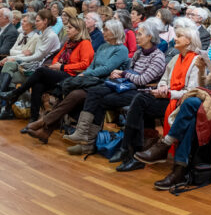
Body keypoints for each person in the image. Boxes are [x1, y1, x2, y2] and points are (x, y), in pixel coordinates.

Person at [136, 32, 211, 190]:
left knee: (191, 102)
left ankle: (166, 145)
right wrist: (201, 70)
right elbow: (205, 86)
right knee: (192, 117)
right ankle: (179, 170)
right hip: (209, 99)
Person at [61, 18, 166, 156]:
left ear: (150, 37)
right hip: (128, 86)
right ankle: (85, 136)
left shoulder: (158, 57)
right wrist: (120, 76)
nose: (136, 36)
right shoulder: (138, 53)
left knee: (100, 98)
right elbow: (132, 74)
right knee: (95, 92)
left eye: (140, 34)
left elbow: (142, 80)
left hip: (141, 92)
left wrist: (123, 73)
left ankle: (89, 140)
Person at [26, 20, 131, 145]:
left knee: (75, 95)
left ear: (115, 32)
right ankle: (45, 131)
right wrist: (85, 74)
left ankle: (44, 123)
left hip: (105, 83)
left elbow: (107, 69)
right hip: (91, 81)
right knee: (69, 91)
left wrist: (85, 74)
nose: (103, 32)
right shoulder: (103, 46)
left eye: (106, 30)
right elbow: (92, 65)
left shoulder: (121, 50)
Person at [116, 25, 201, 171]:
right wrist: (162, 87)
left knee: (139, 102)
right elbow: (164, 79)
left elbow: (192, 91)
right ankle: (133, 152)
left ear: (189, 41)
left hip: (181, 102)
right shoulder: (175, 58)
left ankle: (129, 152)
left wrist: (168, 93)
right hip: (167, 96)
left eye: (179, 36)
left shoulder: (197, 61)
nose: (175, 39)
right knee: (140, 99)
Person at [0, 18, 94, 123]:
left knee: (41, 71)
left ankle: (16, 93)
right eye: (67, 27)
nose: (67, 30)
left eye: (70, 28)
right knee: (38, 85)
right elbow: (57, 56)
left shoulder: (85, 43)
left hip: (72, 76)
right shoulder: (69, 42)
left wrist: (62, 67)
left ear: (78, 30)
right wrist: (57, 64)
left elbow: (85, 65)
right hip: (60, 72)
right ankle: (33, 119)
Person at [0, 9, 60, 112]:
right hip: (35, 65)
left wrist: (15, 58)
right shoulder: (42, 34)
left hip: (44, 69)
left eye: (38, 21)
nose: (35, 23)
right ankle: (0, 101)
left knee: (9, 75)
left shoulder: (50, 35)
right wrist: (13, 57)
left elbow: (37, 56)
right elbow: (13, 51)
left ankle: (6, 107)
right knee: (8, 67)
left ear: (45, 21)